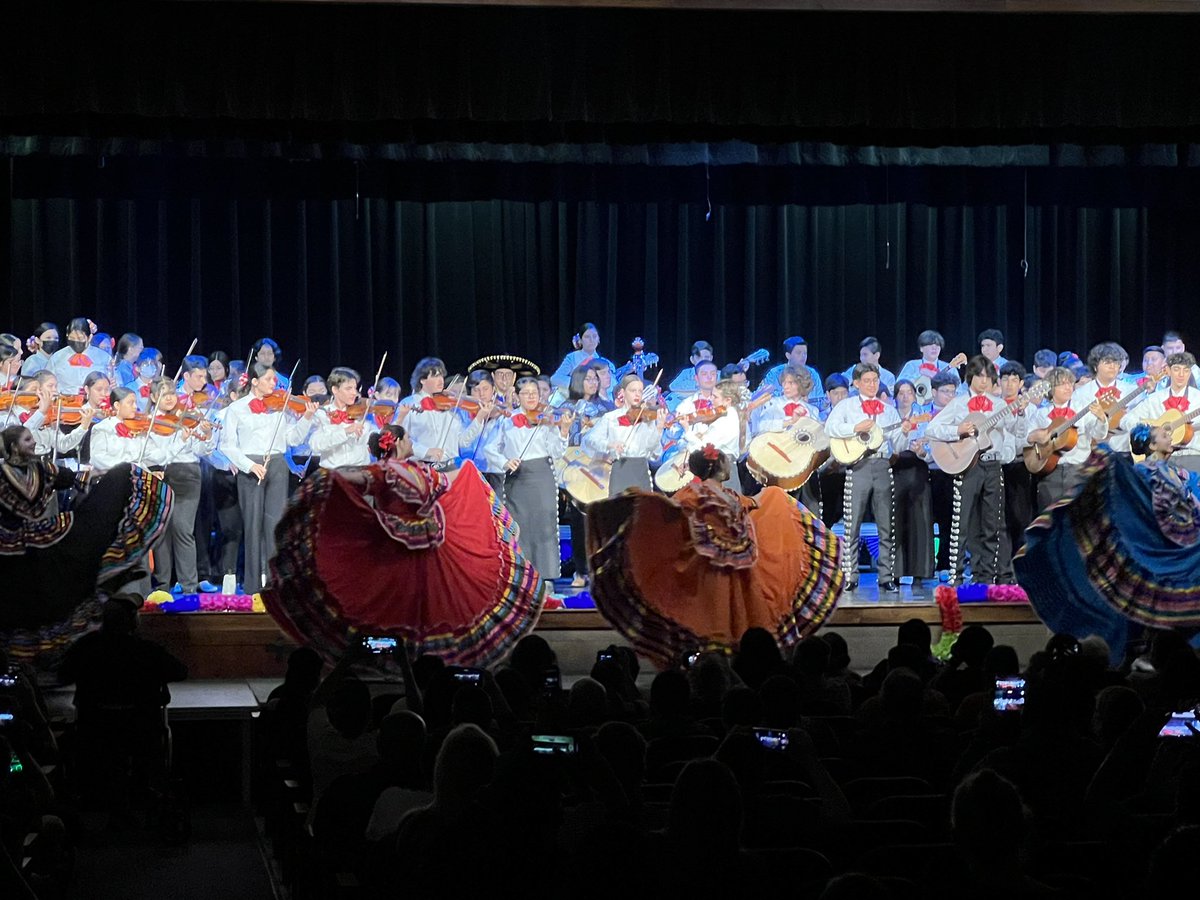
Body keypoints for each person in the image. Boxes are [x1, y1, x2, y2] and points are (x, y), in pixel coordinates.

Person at [263, 425, 546, 668]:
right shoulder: (384, 471)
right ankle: (407, 667)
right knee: (401, 610)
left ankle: (420, 667)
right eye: (408, 438)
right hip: (395, 550)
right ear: (397, 442)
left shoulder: (415, 471)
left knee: (424, 609)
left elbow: (449, 482)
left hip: (431, 551)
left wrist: (468, 473)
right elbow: (356, 479)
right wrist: (330, 478)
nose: (411, 442)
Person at [584, 444, 843, 669]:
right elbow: (681, 517)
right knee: (721, 617)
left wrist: (770, 497)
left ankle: (721, 663)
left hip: (731, 571)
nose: (729, 464)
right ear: (717, 467)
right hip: (712, 571)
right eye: (725, 461)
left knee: (774, 498)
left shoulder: (715, 494)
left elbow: (750, 506)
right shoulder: (698, 495)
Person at [1015, 423, 1200, 664]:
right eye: (1164, 435)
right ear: (1152, 445)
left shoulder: (1178, 472)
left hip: (1179, 547)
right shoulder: (1144, 473)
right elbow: (1146, 508)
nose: (1170, 436)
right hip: (1156, 546)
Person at [0, 426, 172, 661]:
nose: (33, 443)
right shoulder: (4, 473)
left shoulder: (43, 468)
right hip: (8, 545)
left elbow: (76, 477)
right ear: (13, 447)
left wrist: (112, 475)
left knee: (48, 592)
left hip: (38, 539)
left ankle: (42, 661)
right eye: (27, 439)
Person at [925, 356, 1028, 586]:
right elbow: (933, 429)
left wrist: (1020, 413)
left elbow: (1018, 432)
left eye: (987, 376)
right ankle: (957, 574)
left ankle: (987, 574)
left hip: (993, 465)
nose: (983, 381)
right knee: (962, 522)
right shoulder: (958, 404)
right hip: (967, 465)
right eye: (979, 376)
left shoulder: (1000, 404)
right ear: (970, 377)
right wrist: (957, 430)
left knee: (993, 522)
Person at [219, 362, 315, 591]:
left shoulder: (281, 407)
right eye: (269, 379)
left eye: (275, 380)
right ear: (254, 381)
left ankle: (274, 582)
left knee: (274, 524)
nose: (274, 384)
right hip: (251, 467)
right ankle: (252, 585)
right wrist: (250, 465)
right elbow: (227, 445)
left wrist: (306, 419)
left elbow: (292, 439)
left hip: (278, 464)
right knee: (252, 525)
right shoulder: (237, 408)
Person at [825, 362, 901, 593]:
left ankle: (887, 575)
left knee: (886, 523)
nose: (871, 385)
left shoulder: (888, 409)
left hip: (881, 465)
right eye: (867, 381)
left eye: (875, 381)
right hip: (857, 465)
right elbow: (831, 428)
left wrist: (905, 432)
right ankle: (850, 575)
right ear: (857, 383)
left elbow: (898, 442)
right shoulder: (847, 406)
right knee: (852, 524)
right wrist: (855, 427)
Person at [500, 377, 573, 587]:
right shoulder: (507, 420)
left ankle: (545, 577)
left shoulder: (546, 419)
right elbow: (491, 449)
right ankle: (521, 576)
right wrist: (505, 461)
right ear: (517, 396)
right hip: (518, 477)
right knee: (521, 525)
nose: (532, 396)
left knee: (544, 527)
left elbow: (556, 452)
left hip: (542, 475)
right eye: (526, 393)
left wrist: (564, 431)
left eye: (535, 393)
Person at [1026, 366, 1110, 509]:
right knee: (1049, 520)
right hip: (1050, 472)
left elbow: (1099, 434)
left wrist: (1101, 419)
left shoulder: (1082, 409)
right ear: (1051, 389)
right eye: (1062, 384)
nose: (1068, 387)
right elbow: (1027, 439)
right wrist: (1037, 436)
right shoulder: (1041, 414)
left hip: (1078, 471)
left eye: (1070, 383)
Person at [582, 374, 667, 495]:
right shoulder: (610, 418)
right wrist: (609, 445)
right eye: (633, 390)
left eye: (640, 391)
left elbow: (655, 453)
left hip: (641, 471)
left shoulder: (647, 419)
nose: (637, 394)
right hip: (619, 470)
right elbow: (589, 440)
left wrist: (658, 429)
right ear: (623, 392)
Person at [402, 357, 490, 468]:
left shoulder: (449, 406)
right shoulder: (409, 403)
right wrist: (426, 451)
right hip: (421, 468)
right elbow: (401, 439)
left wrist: (479, 418)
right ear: (422, 379)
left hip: (451, 467)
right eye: (435, 376)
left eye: (441, 376)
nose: (441, 380)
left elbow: (462, 442)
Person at [1128, 351, 1200, 473]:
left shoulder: (1198, 398)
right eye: (1177, 369)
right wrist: (1152, 431)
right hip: (1159, 458)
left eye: (1186, 370)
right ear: (1168, 370)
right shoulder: (1154, 399)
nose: (1181, 374)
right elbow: (1127, 420)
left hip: (1193, 455)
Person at [757, 337, 825, 408]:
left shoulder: (813, 374)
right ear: (788, 355)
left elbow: (820, 401)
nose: (803, 356)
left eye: (805, 353)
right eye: (799, 353)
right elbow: (762, 398)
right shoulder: (774, 373)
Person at [46, 317, 108, 396]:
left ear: (89, 338)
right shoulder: (57, 357)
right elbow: (47, 381)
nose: (76, 341)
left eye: (80, 338)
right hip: (64, 403)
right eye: (72, 338)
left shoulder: (103, 357)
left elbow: (114, 382)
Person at [549, 323, 617, 392]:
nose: (591, 340)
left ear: (598, 339)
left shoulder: (606, 363)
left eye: (594, 336)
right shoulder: (572, 357)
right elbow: (555, 378)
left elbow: (613, 385)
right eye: (587, 337)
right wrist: (580, 385)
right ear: (580, 340)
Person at [896, 329, 962, 386]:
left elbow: (959, 392)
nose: (934, 348)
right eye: (930, 345)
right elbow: (899, 385)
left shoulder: (950, 368)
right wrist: (920, 376)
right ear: (921, 348)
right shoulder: (911, 365)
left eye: (937, 345)